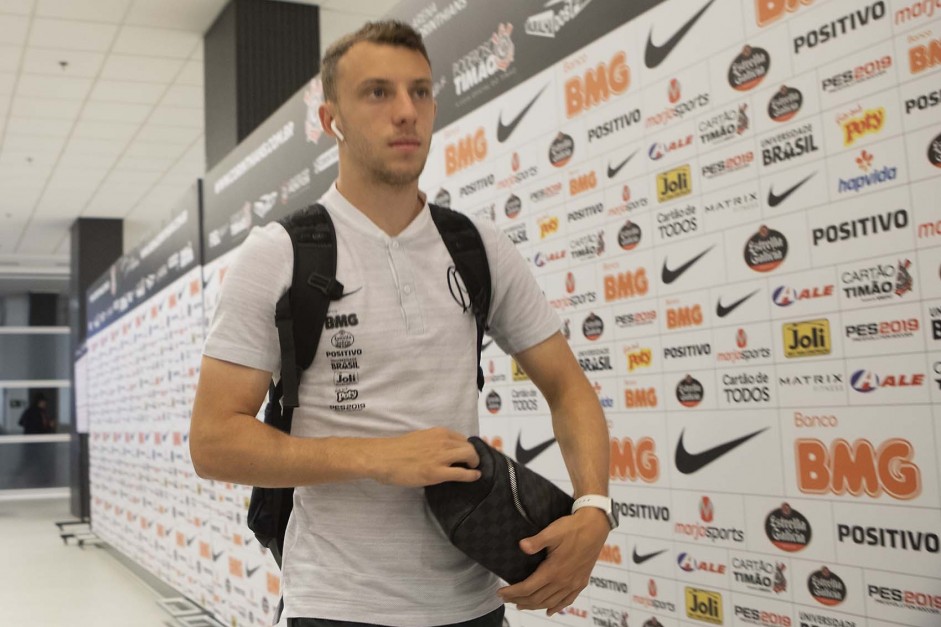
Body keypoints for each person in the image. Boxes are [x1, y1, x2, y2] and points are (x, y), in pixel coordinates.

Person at [190, 20, 612, 627]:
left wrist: (594, 507)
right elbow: (213, 442)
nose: (406, 112)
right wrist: (372, 457)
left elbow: (568, 387)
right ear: (332, 119)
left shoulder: (478, 247)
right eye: (378, 93)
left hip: (476, 603)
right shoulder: (279, 253)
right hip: (337, 606)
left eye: (421, 91)